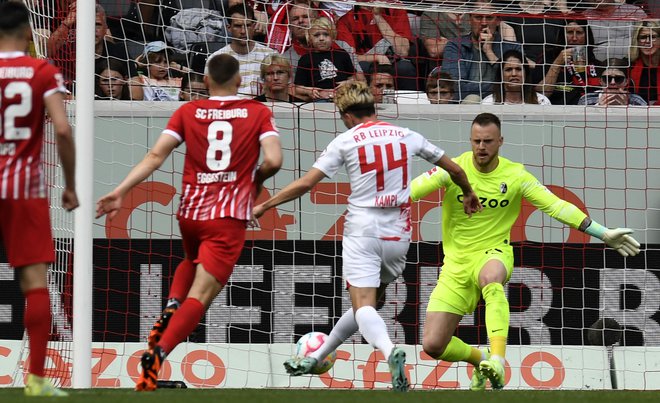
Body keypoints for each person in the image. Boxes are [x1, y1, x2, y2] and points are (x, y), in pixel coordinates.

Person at [252, 80, 481, 392]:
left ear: (346, 115)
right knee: (372, 302)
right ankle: (319, 353)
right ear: (373, 108)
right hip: (398, 234)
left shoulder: (345, 141)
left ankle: (389, 351)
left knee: (363, 306)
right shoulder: (405, 135)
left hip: (363, 230)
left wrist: (265, 204)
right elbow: (454, 169)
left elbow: (306, 184)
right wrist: (468, 192)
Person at [409, 112, 641, 391]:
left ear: (500, 141)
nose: (481, 147)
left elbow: (556, 206)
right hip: (455, 265)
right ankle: (479, 358)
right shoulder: (453, 169)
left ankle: (497, 359)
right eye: (476, 141)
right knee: (433, 345)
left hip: (493, 252)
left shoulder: (515, 175)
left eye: (488, 141)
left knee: (491, 280)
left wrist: (602, 233)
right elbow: (412, 191)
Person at [95, 53, 283, 391]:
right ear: (240, 81)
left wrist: (120, 191)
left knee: (191, 260)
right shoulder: (257, 112)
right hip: (227, 216)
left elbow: (155, 155)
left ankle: (170, 305)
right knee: (203, 293)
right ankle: (159, 352)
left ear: (206, 81)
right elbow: (274, 159)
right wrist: (253, 179)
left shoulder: (187, 111)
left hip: (191, 213)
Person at [0, 2, 77, 397]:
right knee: (35, 284)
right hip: (25, 186)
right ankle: (35, 378)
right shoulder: (42, 71)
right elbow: (62, 130)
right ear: (30, 33)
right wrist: (70, 184)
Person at [441, 0, 522, 102]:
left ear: (498, 21)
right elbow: (454, 88)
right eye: (478, 17)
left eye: (489, 17)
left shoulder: (513, 48)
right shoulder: (455, 46)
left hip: (504, 104)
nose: (484, 23)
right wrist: (500, 87)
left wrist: (489, 52)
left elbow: (519, 87)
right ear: (470, 19)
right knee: (472, 99)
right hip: (466, 108)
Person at [336, 3, 418, 90]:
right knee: (361, 68)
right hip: (367, 64)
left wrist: (378, 16)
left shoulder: (396, 9)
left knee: (405, 68)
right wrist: (377, 57)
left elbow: (403, 51)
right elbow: (349, 57)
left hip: (393, 62)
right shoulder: (346, 20)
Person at [207, 4, 276, 98]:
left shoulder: (271, 56)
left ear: (253, 26)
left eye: (247, 25)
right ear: (229, 28)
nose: (243, 31)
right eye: (238, 26)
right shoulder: (216, 59)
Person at [293, 17, 357, 102]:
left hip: (344, 96)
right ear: (309, 38)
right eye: (316, 35)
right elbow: (298, 88)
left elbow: (353, 78)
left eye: (326, 34)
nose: (321, 38)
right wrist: (309, 91)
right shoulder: (305, 59)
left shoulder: (342, 54)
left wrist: (348, 83)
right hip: (320, 99)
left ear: (333, 36)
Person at [541, 19, 601, 105]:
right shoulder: (548, 57)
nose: (574, 38)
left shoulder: (595, 63)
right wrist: (558, 62)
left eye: (579, 33)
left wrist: (583, 70)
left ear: (586, 36)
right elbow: (542, 93)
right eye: (569, 32)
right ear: (563, 35)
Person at [482, 50, 551, 105]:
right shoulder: (488, 103)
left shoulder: (542, 102)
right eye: (508, 70)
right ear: (501, 74)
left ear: (525, 73)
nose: (514, 74)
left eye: (518, 69)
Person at [578, 62, 648, 106]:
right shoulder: (587, 99)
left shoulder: (637, 101)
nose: (613, 82)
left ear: (626, 82)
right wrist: (598, 107)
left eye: (618, 79)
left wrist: (627, 108)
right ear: (600, 81)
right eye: (607, 79)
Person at [629, 20, 660, 105]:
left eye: (653, 37)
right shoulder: (628, 65)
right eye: (643, 37)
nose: (647, 41)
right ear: (637, 41)